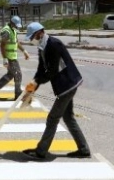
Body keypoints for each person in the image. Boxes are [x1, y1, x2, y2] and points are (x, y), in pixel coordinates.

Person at [20, 22, 90, 160]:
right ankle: (84, 149)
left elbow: (51, 71)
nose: (32, 39)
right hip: (65, 86)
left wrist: (35, 85)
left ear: (40, 32)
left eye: (33, 36)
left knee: (52, 119)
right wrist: (32, 88)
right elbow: (41, 70)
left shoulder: (54, 44)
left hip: (67, 85)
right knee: (68, 118)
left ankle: (41, 151)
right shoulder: (43, 47)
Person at [0, 15, 29, 99]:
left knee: (11, 75)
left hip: (13, 57)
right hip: (9, 58)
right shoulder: (6, 31)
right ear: (12, 23)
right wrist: (4, 59)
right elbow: (2, 45)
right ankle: (18, 93)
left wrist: (24, 51)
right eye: (15, 25)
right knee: (18, 75)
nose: (16, 27)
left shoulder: (13, 30)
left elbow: (16, 42)